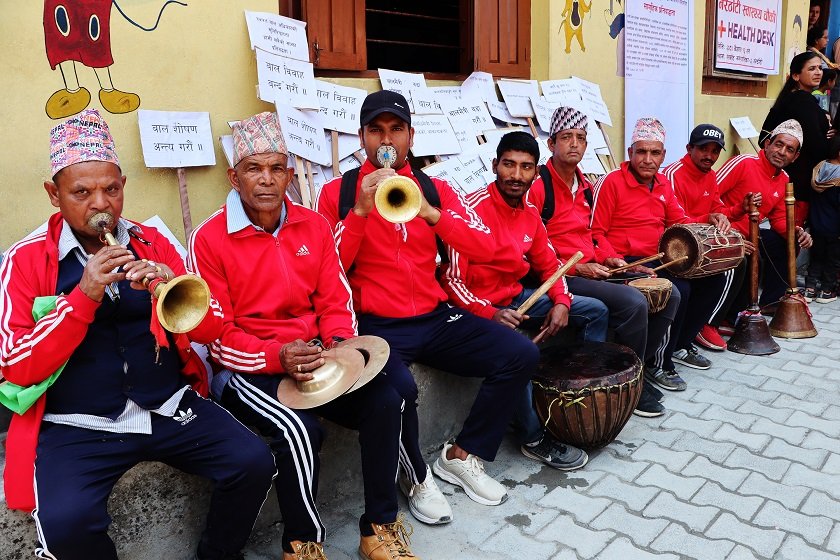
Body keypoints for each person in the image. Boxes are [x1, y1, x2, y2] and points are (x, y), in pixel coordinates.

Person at [0, 109, 277, 560]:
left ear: (124, 186)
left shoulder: (153, 242)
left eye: (111, 189)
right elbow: (15, 364)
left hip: (167, 405)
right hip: (79, 422)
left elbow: (212, 328)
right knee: (67, 525)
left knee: (252, 462)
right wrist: (83, 295)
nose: (100, 205)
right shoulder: (26, 259)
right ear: (54, 195)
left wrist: (169, 285)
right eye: (82, 193)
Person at [188, 112, 420, 560]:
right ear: (233, 176)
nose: (266, 180)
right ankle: (303, 542)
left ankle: (378, 528)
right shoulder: (209, 238)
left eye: (277, 168)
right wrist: (278, 356)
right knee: (299, 430)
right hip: (247, 366)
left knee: (387, 400)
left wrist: (338, 344)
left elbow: (336, 297)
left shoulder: (312, 226)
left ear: (290, 175)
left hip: (315, 356)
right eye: (254, 168)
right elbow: (216, 332)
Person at [317, 90, 537, 509]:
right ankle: (417, 477)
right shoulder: (339, 193)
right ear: (361, 137)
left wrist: (430, 213)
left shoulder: (435, 189)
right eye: (376, 130)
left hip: (435, 317)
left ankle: (462, 455)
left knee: (520, 354)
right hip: (377, 324)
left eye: (396, 130)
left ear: (411, 136)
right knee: (398, 392)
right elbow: (328, 270)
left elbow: (486, 247)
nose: (386, 140)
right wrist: (359, 212)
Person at [441, 131, 598, 470]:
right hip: (477, 308)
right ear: (495, 165)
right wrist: (490, 312)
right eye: (508, 165)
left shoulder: (529, 212)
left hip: (517, 299)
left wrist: (561, 302)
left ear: (535, 173)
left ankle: (580, 402)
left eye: (526, 167)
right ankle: (532, 437)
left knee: (595, 312)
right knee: (516, 350)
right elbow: (452, 281)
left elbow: (551, 265)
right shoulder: (469, 209)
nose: (516, 175)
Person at [527, 106, 677, 417]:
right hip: (561, 273)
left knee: (669, 294)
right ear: (551, 144)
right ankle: (628, 383)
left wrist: (614, 258)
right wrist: (577, 267)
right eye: (566, 137)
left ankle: (636, 368)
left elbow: (595, 234)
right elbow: (530, 244)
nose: (574, 144)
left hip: (595, 266)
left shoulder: (584, 186)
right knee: (634, 303)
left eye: (580, 137)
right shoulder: (539, 185)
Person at [590, 117, 727, 389]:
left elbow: (680, 222)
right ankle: (658, 364)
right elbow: (595, 233)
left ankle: (679, 344)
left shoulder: (663, 184)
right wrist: (613, 259)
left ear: (663, 155)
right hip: (623, 262)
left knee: (715, 277)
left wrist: (711, 219)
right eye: (641, 151)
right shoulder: (611, 182)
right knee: (678, 290)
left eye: (655, 152)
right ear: (630, 153)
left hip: (659, 258)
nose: (647, 159)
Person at [717, 119, 814, 313]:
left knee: (789, 241)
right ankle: (735, 312)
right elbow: (710, 195)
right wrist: (730, 229)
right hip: (724, 232)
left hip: (753, 234)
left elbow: (778, 220)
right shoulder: (743, 163)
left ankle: (770, 302)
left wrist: (797, 231)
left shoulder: (784, 178)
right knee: (755, 257)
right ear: (767, 144)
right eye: (779, 144)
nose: (782, 152)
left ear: (795, 157)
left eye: (789, 149)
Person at [663, 124, 738, 351]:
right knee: (723, 273)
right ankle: (698, 332)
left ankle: (691, 336)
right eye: (704, 149)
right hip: (676, 247)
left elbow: (718, 209)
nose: (710, 156)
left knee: (735, 263)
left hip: (698, 243)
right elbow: (676, 224)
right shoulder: (673, 175)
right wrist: (709, 217)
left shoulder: (711, 175)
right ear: (689, 148)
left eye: (715, 151)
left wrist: (723, 218)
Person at [762, 51, 832, 227]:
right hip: (798, 184)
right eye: (811, 69)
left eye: (819, 68)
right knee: (792, 235)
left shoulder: (790, 99)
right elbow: (818, 147)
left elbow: (763, 137)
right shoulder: (802, 102)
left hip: (783, 180)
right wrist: (830, 138)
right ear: (796, 75)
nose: (818, 72)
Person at [804, 136, 840, 303]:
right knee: (832, 260)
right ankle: (826, 291)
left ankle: (810, 289)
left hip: (817, 224)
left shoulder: (818, 169)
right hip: (835, 227)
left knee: (816, 257)